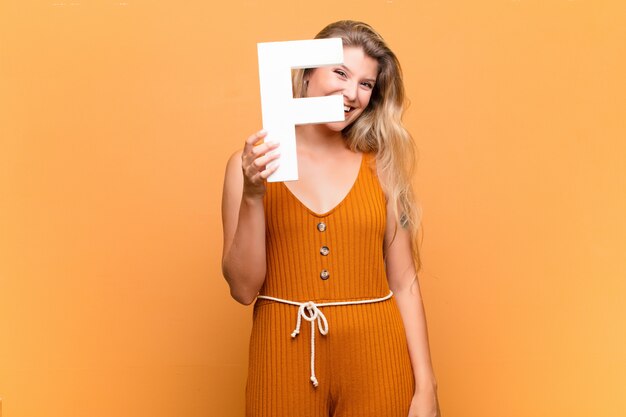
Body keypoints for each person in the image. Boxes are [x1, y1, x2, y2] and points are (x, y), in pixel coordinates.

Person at [221, 20, 441, 417]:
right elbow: (242, 289)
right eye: (340, 72)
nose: (351, 93)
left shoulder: (383, 169)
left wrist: (426, 387)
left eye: (365, 84)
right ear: (306, 75)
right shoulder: (248, 166)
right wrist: (254, 194)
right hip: (282, 358)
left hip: (378, 358)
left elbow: (405, 282)